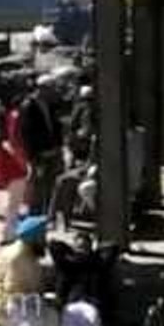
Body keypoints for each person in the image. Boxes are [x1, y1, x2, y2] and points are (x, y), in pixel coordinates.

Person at [49, 234, 119, 326]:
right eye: (79, 246)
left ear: (90, 248)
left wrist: (91, 253)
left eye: (84, 246)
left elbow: (114, 247)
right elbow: (53, 245)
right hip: (71, 305)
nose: (81, 249)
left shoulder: (98, 264)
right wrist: (73, 251)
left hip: (91, 305)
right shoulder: (67, 264)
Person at [48, 85, 95, 227]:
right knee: (65, 180)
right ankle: (62, 217)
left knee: (63, 182)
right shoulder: (86, 113)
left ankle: (57, 218)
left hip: (89, 167)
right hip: (83, 160)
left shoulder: (83, 113)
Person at [18, 75, 64, 215]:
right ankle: (35, 213)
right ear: (42, 89)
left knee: (51, 184)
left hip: (52, 151)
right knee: (38, 184)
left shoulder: (50, 105)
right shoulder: (28, 106)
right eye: (50, 89)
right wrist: (33, 156)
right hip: (39, 154)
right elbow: (26, 134)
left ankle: (47, 211)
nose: (53, 92)